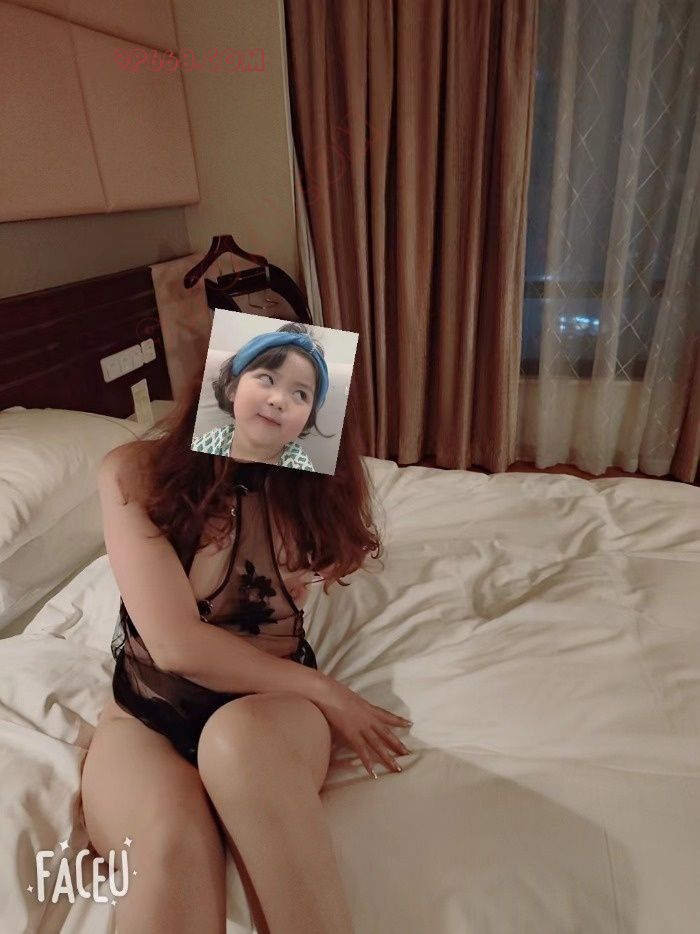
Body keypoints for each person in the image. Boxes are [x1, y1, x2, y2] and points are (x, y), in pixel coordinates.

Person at [79, 362, 413, 934]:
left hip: (266, 712)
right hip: (149, 715)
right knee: (169, 843)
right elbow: (175, 646)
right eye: (265, 375)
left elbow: (325, 565)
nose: (278, 399)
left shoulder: (310, 488)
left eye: (301, 391)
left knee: (238, 743)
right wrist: (328, 692)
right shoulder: (133, 472)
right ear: (225, 380)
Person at [191, 322, 335, 471]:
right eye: (267, 379)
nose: (278, 401)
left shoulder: (300, 469)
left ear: (308, 418)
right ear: (232, 388)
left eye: (300, 394)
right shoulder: (206, 443)